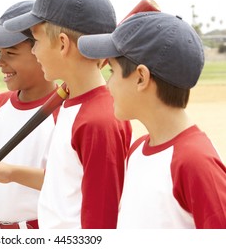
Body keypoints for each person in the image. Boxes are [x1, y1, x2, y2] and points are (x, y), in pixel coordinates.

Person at [0, 0, 132, 229]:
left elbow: (102, 222)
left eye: (35, 40)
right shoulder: (71, 103)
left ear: (63, 44)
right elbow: (65, 182)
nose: (34, 51)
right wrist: (11, 173)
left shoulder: (100, 119)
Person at [78, 11, 226, 228]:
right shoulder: (137, 150)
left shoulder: (195, 162)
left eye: (112, 71)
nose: (108, 85)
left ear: (141, 77)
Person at [0, 0, 58, 229]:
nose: (0, 62)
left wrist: (12, 173)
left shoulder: (65, 111)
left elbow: (70, 187)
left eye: (11, 53)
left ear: (41, 49)